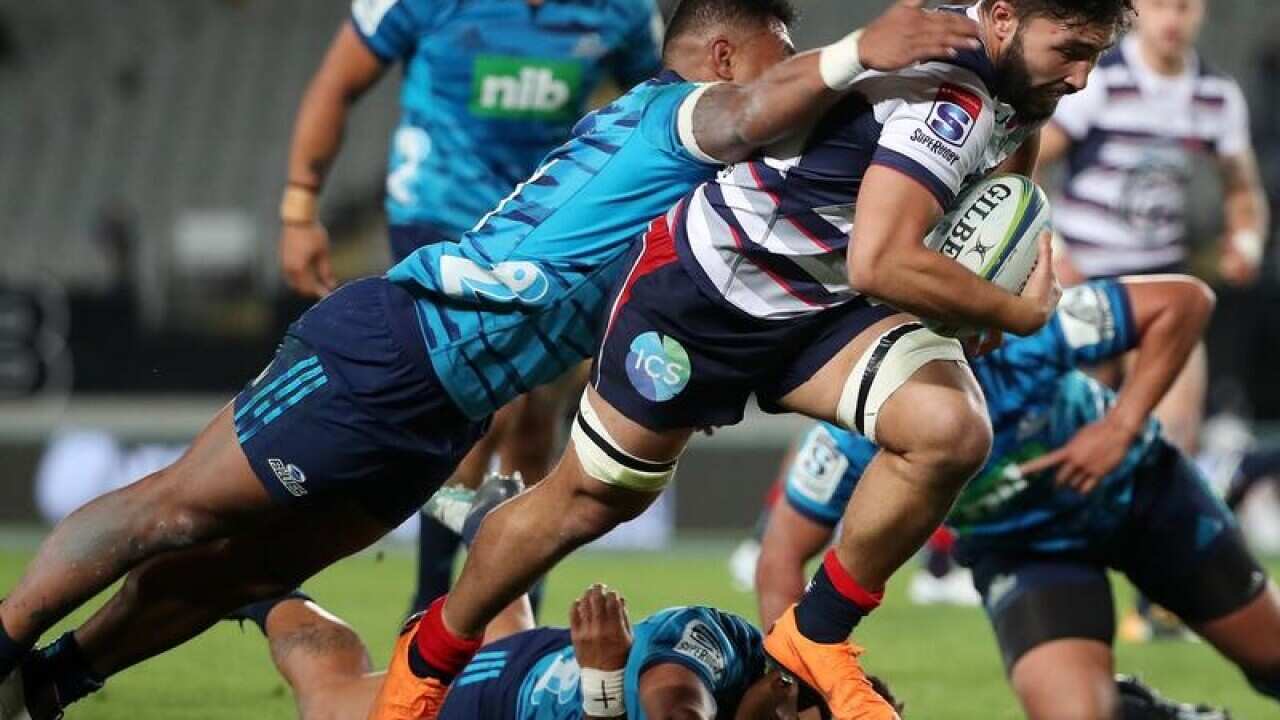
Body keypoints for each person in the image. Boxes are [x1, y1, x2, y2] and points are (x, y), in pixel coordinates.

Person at [0, 3, 984, 718]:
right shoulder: (678, 118)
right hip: (398, 347)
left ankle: (49, 685)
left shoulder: (726, 197)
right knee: (174, 507)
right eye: (776, 59)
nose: (797, 96)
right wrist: (858, 51)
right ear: (722, 55)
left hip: (448, 408)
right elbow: (751, 108)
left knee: (235, 569)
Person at [390, 2, 1134, 718]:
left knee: (950, 428)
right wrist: (1015, 309)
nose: (1080, 79)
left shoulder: (1020, 81)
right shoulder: (950, 94)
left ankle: (817, 633)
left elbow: (1011, 168)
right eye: (1071, 51)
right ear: (1002, 17)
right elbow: (880, 263)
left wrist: (982, 274)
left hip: (820, 310)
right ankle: (423, 666)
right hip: (704, 299)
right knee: (586, 502)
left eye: (1093, 57)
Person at [279, 0, 665, 616]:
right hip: (442, 216)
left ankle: (516, 611)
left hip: (550, 227)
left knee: (540, 418)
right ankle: (433, 601)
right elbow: (338, 81)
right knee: (496, 406)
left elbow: (666, 93)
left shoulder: (622, 12)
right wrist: (300, 208)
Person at [754, 275, 1280, 717]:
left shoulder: (1029, 328)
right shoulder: (856, 420)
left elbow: (1186, 301)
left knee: (1271, 659)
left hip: (1142, 494)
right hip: (1024, 550)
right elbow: (781, 554)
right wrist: (802, 685)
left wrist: (1120, 427)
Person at [217, 475, 904, 720]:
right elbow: (672, 706)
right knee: (328, 699)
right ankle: (258, 585)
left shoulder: (767, 697)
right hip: (494, 699)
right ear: (788, 688)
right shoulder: (717, 644)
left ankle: (495, 525)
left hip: (542, 660)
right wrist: (607, 689)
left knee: (509, 618)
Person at [1037, 0, 1271, 456]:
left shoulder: (1215, 96)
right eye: (1160, 5)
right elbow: (1024, 169)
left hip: (1159, 284)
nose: (1172, 19)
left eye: (1184, 7)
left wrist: (1246, 243)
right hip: (1085, 282)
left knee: (1173, 439)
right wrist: (1054, 250)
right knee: (1069, 438)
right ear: (1137, 8)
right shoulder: (1099, 82)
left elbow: (1243, 191)